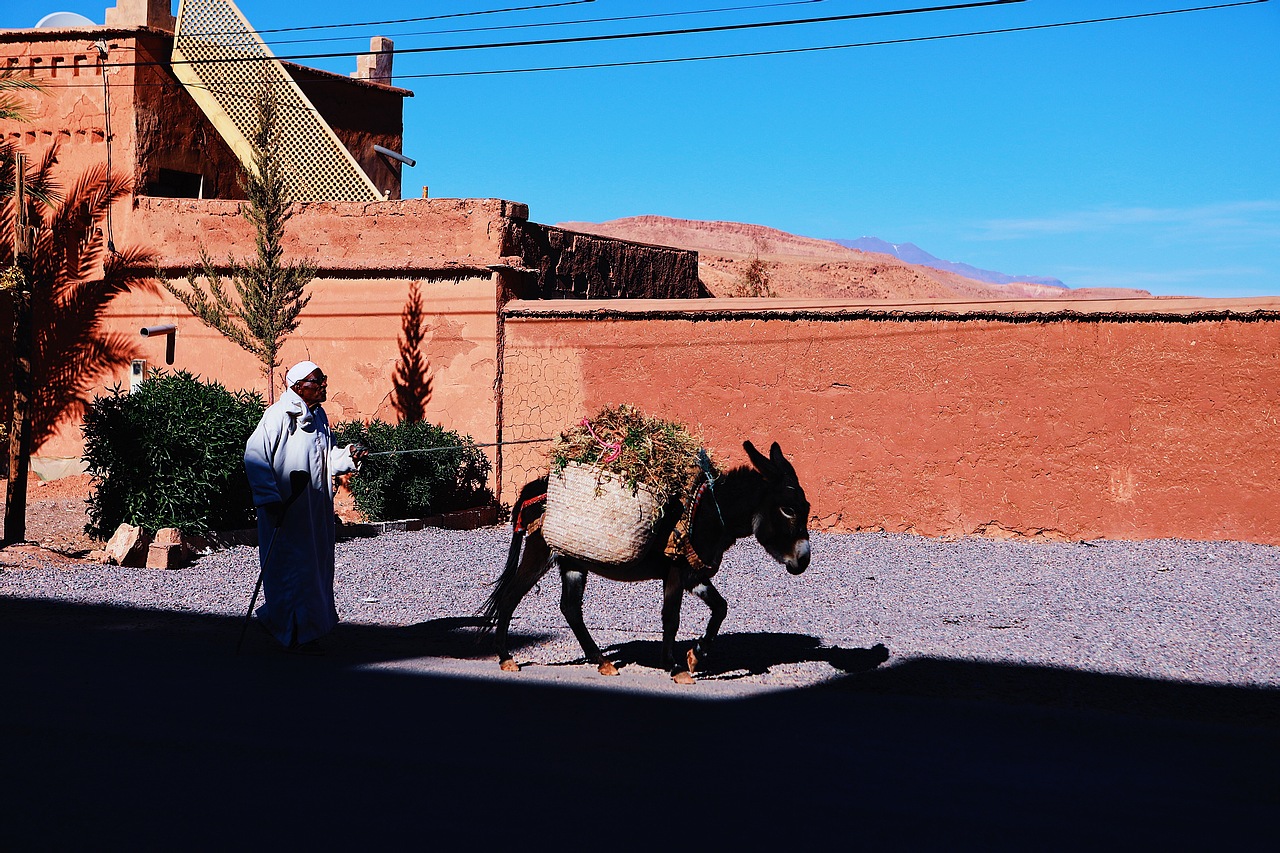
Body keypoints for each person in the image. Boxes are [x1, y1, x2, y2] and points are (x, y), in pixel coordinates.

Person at [243, 360, 367, 653]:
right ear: (298, 387)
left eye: (324, 379)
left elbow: (326, 459)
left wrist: (349, 456)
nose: (323, 385)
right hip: (285, 510)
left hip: (313, 510)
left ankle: (305, 630)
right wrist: (270, 498)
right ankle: (288, 630)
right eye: (317, 381)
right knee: (289, 568)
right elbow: (254, 456)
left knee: (312, 569)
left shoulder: (319, 416)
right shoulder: (278, 416)